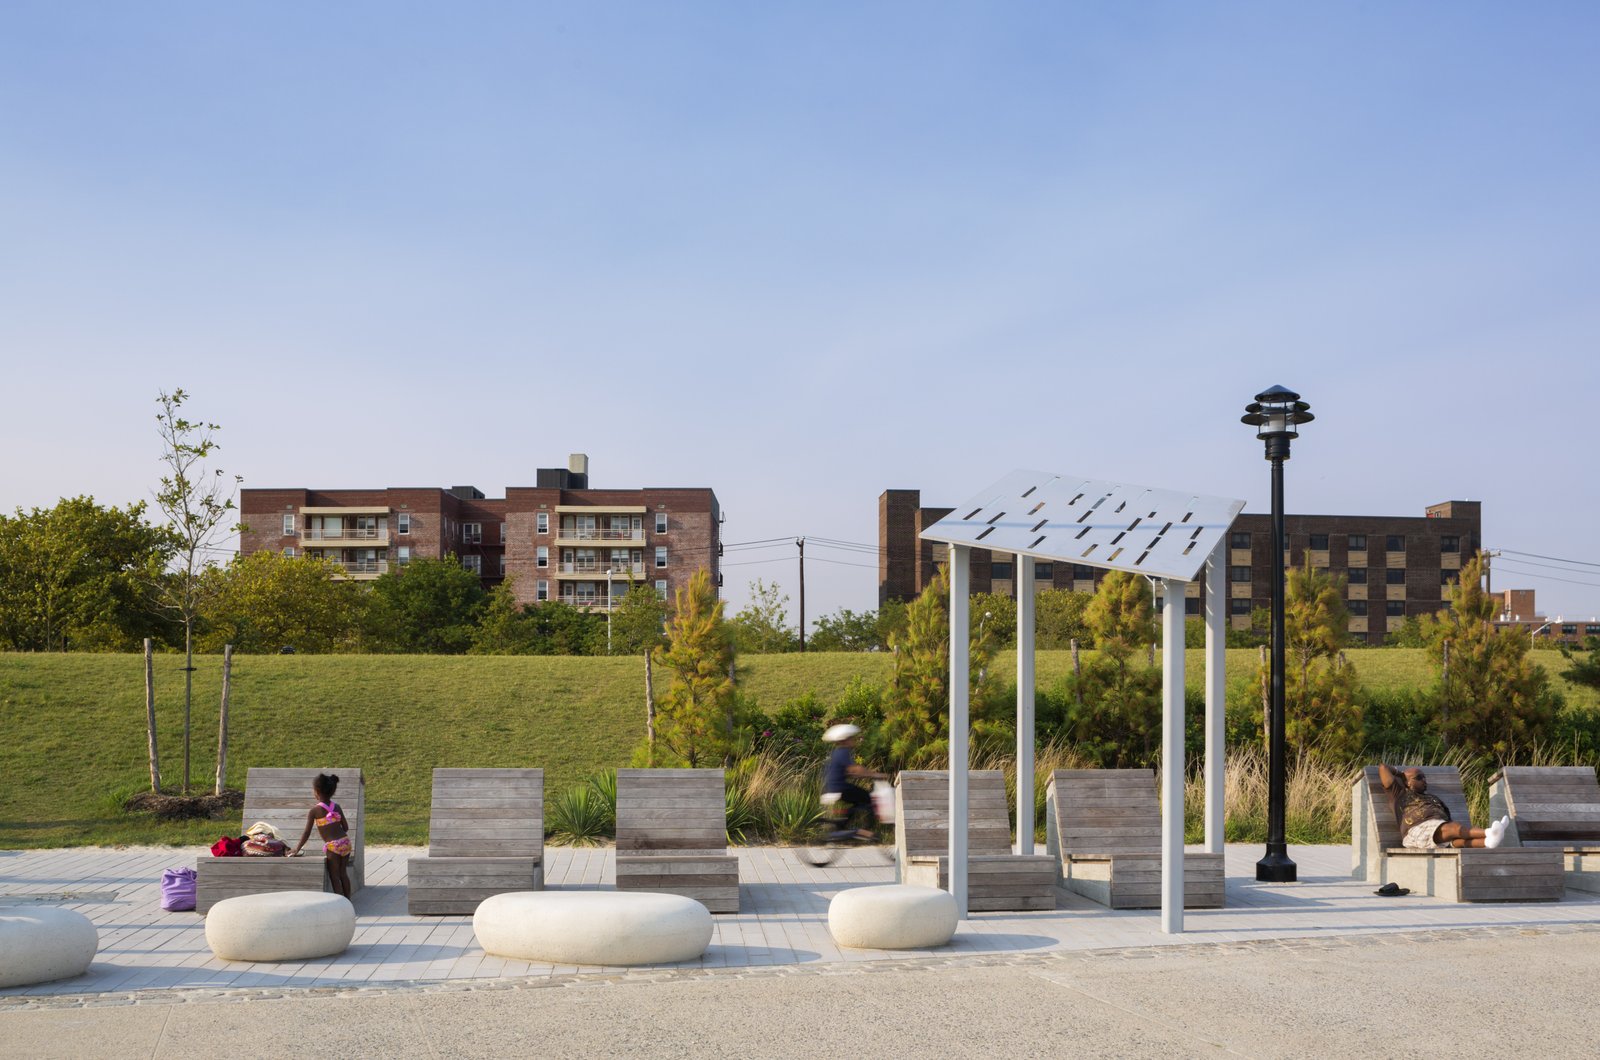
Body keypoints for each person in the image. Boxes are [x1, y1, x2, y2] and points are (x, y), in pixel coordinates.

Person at [1378, 763, 1508, 850]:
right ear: (1408, 782)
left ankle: (1488, 841)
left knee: (1458, 840)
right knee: (1454, 828)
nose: (1424, 780)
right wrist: (1401, 774)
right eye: (1419, 777)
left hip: (1436, 828)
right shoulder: (1399, 794)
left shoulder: (1432, 797)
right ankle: (1490, 831)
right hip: (1416, 831)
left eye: (1424, 777)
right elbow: (1383, 768)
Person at [289, 772, 354, 899]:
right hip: (345, 842)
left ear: (317, 792)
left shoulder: (314, 811)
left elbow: (307, 833)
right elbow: (345, 827)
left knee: (334, 876)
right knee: (343, 873)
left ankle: (340, 904)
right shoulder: (337, 806)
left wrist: (297, 848)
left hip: (333, 846)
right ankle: (349, 901)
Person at [821, 723, 888, 840]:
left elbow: (849, 772)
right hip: (839, 788)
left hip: (832, 787)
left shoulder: (837, 752)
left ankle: (844, 826)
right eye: (852, 738)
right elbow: (856, 769)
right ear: (845, 740)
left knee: (858, 802)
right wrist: (875, 774)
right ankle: (858, 832)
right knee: (867, 797)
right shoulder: (843, 752)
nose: (854, 740)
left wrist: (862, 775)